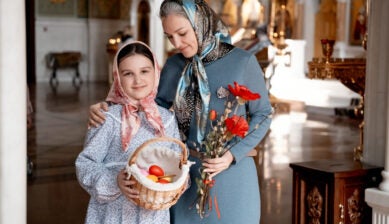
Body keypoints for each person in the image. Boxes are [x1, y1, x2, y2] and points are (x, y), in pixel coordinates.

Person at [88, 0, 272, 223]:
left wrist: (231, 156)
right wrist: (109, 107)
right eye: (170, 36)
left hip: (233, 176)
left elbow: (263, 114)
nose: (177, 43)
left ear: (200, 22)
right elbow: (149, 108)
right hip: (184, 178)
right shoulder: (175, 65)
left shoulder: (242, 61)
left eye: (182, 33)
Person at [76, 41, 181, 224]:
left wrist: (175, 184)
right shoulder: (107, 118)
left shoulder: (167, 119)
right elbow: (86, 164)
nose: (138, 80)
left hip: (152, 216)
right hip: (113, 214)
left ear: (156, 72)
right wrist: (114, 182)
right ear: (117, 77)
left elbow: (178, 162)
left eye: (144, 71)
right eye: (128, 74)